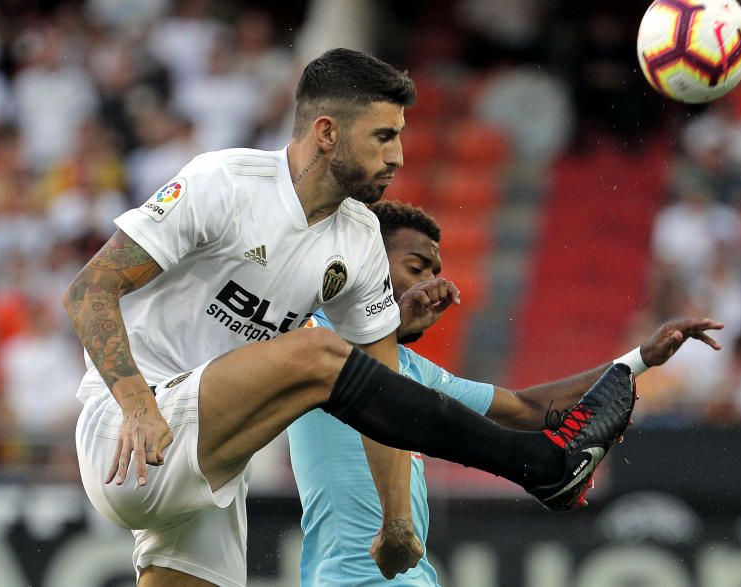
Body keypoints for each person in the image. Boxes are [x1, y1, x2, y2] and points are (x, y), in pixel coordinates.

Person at [65, 48, 638, 587]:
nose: (398, 156)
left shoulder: (359, 238)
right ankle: (536, 463)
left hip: (213, 467)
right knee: (317, 351)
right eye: (384, 136)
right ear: (327, 132)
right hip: (131, 435)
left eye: (401, 138)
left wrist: (396, 523)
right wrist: (138, 408)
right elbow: (90, 290)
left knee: (337, 360)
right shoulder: (226, 183)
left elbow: (381, 392)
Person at [288, 200, 724, 586]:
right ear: (369, 263)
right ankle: (544, 469)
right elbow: (353, 357)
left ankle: (544, 468)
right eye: (416, 267)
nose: (430, 282)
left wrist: (641, 358)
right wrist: (393, 318)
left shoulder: (415, 371)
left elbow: (529, 408)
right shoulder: (313, 339)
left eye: (435, 272)